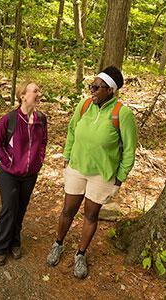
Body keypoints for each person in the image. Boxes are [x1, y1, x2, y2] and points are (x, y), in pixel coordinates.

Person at [46, 66, 137, 278]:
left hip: (102, 175)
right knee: (68, 210)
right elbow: (71, 129)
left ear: (110, 90)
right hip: (77, 167)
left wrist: (120, 178)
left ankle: (80, 254)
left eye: (97, 87)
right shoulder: (85, 105)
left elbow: (130, 150)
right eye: (91, 86)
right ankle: (58, 243)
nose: (92, 91)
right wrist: (67, 156)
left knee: (91, 214)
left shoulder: (121, 114)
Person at [0, 82, 48, 265]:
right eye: (35, 90)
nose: (39, 93)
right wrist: (7, 161)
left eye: (39, 90)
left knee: (21, 209)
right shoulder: (9, 119)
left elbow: (44, 142)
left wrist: (39, 161)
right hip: (9, 173)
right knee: (9, 208)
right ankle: (0, 247)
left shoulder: (41, 119)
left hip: (30, 174)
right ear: (23, 95)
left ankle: (15, 242)